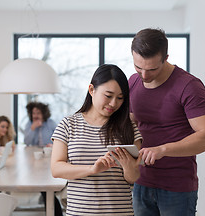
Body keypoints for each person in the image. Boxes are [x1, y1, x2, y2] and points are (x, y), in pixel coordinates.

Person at [128, 28, 205, 216]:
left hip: (177, 186)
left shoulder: (188, 86)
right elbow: (131, 125)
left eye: (152, 69)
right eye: (138, 67)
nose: (144, 75)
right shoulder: (133, 82)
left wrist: (162, 150)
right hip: (141, 182)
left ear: (166, 57)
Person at [51, 64, 143, 216]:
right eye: (108, 96)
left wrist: (128, 166)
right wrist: (92, 169)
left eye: (120, 98)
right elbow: (56, 169)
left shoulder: (129, 128)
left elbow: (133, 178)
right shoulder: (68, 124)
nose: (114, 103)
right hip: (79, 212)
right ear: (91, 90)